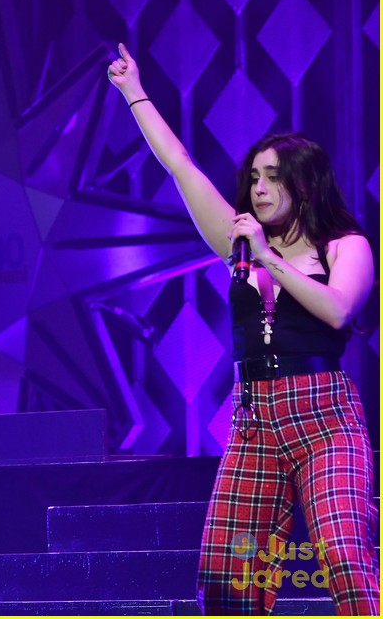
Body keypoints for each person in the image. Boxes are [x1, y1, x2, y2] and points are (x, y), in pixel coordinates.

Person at [107, 44, 379, 615]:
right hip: (255, 417)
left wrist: (268, 257)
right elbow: (181, 164)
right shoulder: (239, 244)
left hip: (324, 417)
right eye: (253, 177)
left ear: (306, 185)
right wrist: (134, 92)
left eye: (273, 177)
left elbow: (337, 311)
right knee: (229, 575)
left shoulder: (344, 245)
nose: (258, 188)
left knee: (343, 554)